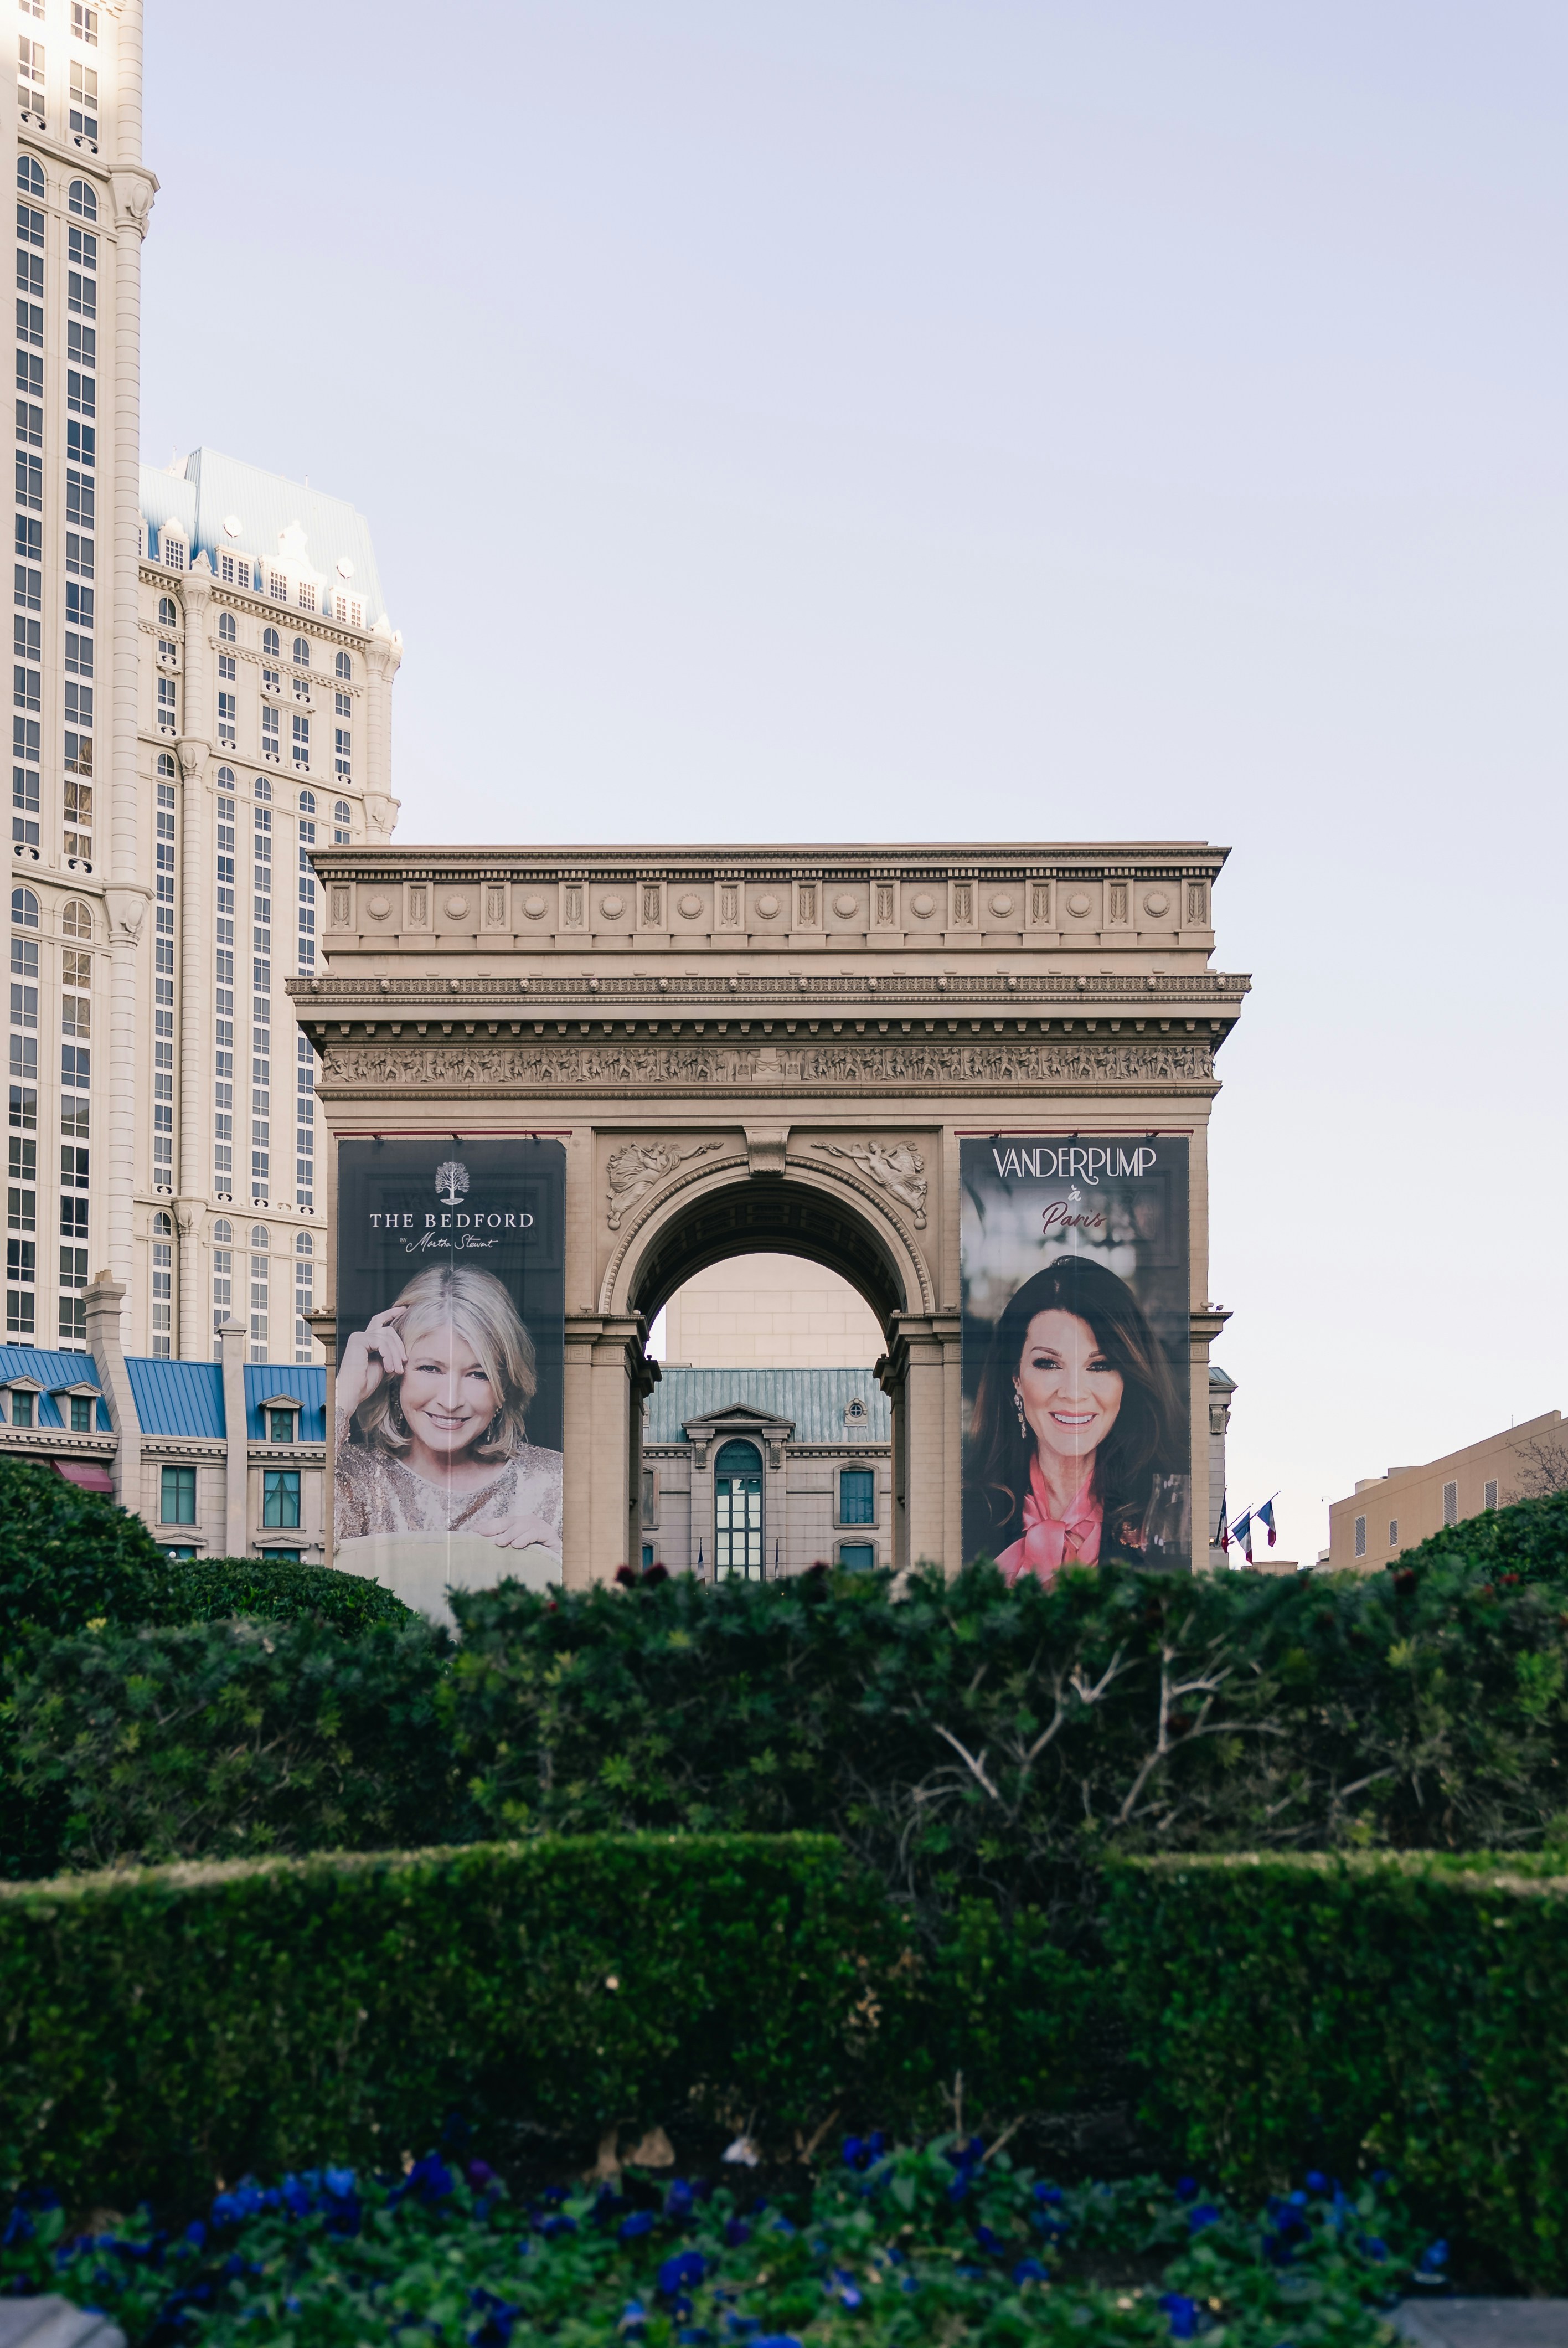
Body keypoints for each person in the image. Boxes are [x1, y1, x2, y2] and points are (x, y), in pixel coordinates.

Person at [966, 1254, 1182, 1585]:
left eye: (1099, 1366)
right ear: (1016, 1378)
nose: (1073, 1393)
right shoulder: (965, 1513)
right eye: (1048, 1364)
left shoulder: (1167, 1513)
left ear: (1127, 1380)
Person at [335, 1262, 562, 1555]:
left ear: (504, 1387)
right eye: (430, 1368)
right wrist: (345, 1395)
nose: (451, 1401)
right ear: (396, 1376)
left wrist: (560, 1563)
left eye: (478, 1374)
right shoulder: (348, 1474)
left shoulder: (556, 1483)